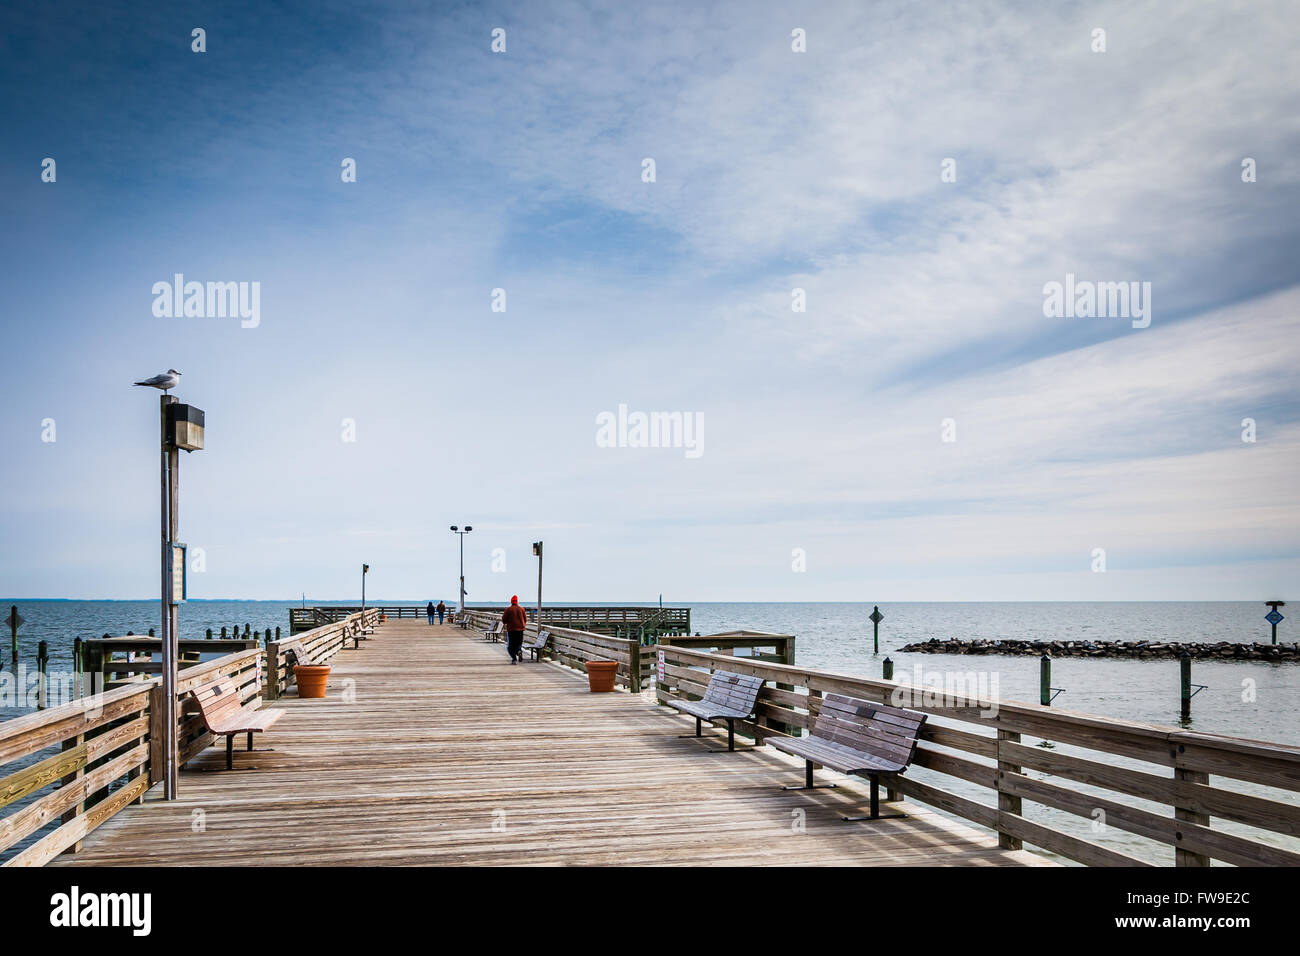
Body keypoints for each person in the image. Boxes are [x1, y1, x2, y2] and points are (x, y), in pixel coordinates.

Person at [502, 595, 527, 664]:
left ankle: (514, 659)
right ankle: (519, 651)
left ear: (511, 601)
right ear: (517, 601)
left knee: (510, 646)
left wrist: (508, 622)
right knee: (519, 644)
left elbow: (504, 620)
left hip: (511, 630)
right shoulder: (522, 609)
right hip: (520, 630)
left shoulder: (508, 609)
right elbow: (525, 619)